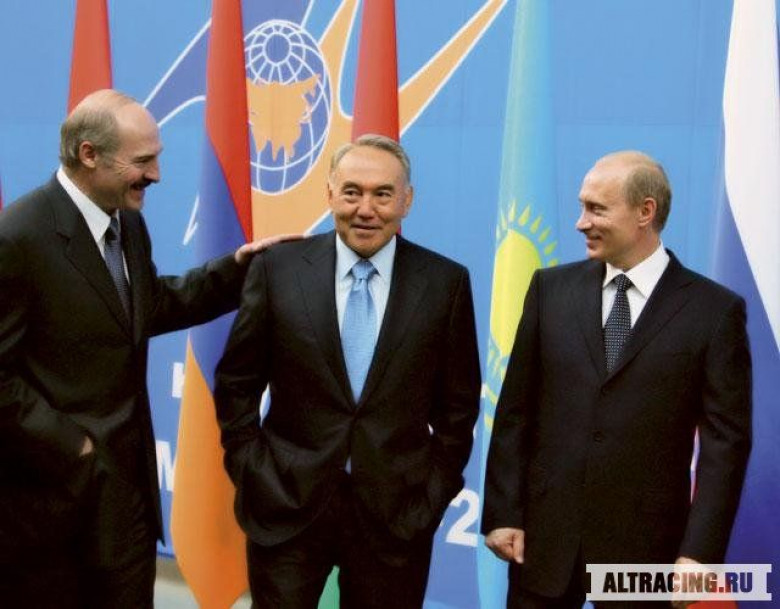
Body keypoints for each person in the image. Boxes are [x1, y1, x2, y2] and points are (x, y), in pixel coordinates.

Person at [0, 89, 297, 608]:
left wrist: (237, 271)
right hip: (48, 513)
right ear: (89, 154)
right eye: (142, 161)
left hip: (127, 503)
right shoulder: (19, 236)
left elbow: (147, 305)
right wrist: (72, 444)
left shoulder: (126, 220)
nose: (156, 175)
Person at [214, 134, 481, 608]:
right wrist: (252, 469)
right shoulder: (277, 270)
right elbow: (237, 383)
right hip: (286, 506)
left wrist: (430, 496)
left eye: (383, 194)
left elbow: (458, 409)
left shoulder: (445, 283)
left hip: (395, 518)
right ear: (330, 193)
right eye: (352, 192)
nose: (366, 209)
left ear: (407, 201)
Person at [481, 151, 752, 608]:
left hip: (646, 555)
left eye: (596, 209)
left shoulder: (714, 311)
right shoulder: (550, 290)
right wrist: (503, 512)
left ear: (645, 211)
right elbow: (515, 412)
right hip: (545, 547)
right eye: (582, 206)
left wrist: (699, 554)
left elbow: (725, 445)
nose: (580, 223)